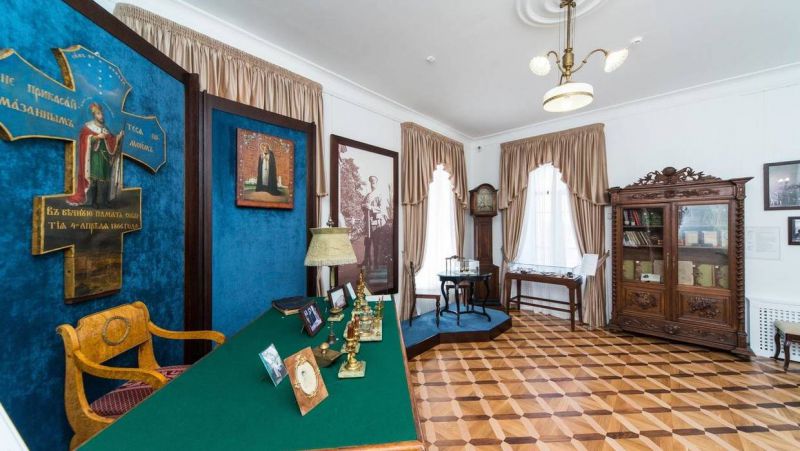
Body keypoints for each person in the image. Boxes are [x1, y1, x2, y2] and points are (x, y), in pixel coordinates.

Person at [67, 103, 124, 207]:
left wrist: (118, 137)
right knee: (94, 180)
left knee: (105, 180)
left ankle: (105, 201)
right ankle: (94, 202)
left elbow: (111, 140)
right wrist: (97, 137)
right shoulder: (88, 127)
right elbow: (83, 139)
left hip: (105, 158)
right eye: (98, 114)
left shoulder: (105, 128)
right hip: (94, 158)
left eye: (101, 114)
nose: (101, 116)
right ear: (94, 115)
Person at [362, 175, 389, 266]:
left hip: (376, 223)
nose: (372, 183)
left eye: (373, 181)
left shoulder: (380, 194)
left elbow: (382, 208)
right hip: (368, 223)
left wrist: (371, 207)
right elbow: (363, 205)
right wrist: (363, 206)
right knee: (367, 243)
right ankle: (366, 262)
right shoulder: (367, 195)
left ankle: (377, 263)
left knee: (376, 243)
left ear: (377, 183)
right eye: (370, 181)